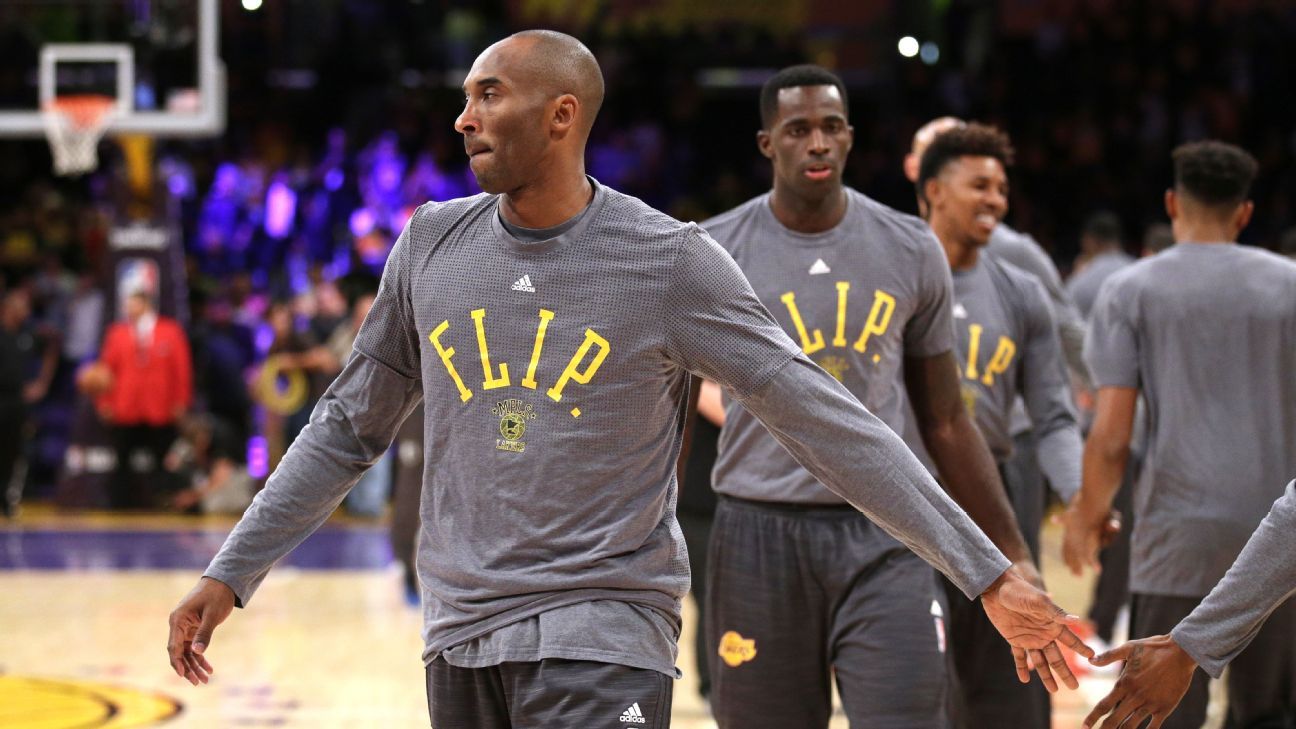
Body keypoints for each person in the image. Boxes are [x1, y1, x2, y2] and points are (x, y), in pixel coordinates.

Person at [167, 32, 1088, 729]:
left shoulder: (669, 261)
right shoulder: (429, 244)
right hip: (459, 631)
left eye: (489, 95)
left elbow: (823, 417)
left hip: (604, 632)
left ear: (562, 114)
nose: (463, 118)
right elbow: (343, 428)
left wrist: (986, 572)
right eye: (465, 98)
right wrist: (230, 570)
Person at [697, 66, 1060, 729]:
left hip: (888, 531)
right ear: (766, 144)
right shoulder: (714, 249)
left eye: (832, 127)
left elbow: (947, 418)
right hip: (758, 529)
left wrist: (1015, 555)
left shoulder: (910, 245)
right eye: (798, 129)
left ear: (851, 138)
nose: (818, 143)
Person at [1063, 140, 1296, 729]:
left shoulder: (1131, 289)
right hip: (1278, 541)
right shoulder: (1291, 285)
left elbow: (1112, 435)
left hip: (1175, 538)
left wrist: (1088, 513)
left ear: (1172, 204)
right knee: (1269, 714)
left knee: (1154, 712)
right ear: (1245, 213)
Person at [917, 122, 1086, 728]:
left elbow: (1055, 414)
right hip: (913, 496)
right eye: (980, 185)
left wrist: (1079, 494)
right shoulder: (898, 273)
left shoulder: (1023, 291)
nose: (995, 199)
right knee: (923, 686)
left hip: (995, 490)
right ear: (934, 190)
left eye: (1002, 188)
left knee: (1012, 685)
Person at [1083, 477, 1296, 729]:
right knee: (1267, 714)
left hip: (1180, 543)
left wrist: (1087, 505)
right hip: (1269, 559)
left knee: (1161, 719)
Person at [96, 289, 193, 509]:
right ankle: (120, 504)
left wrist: (181, 402)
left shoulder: (170, 331)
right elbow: (106, 372)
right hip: (126, 407)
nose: (128, 309)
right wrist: (105, 403)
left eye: (133, 304)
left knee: (163, 460)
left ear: (147, 305)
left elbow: (181, 370)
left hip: (160, 408)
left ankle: (164, 502)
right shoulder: (117, 333)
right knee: (122, 459)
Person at [1066, 211, 1133, 320]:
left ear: (1090, 240)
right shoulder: (1136, 267)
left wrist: (1076, 275)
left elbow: (1066, 316)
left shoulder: (1082, 278)